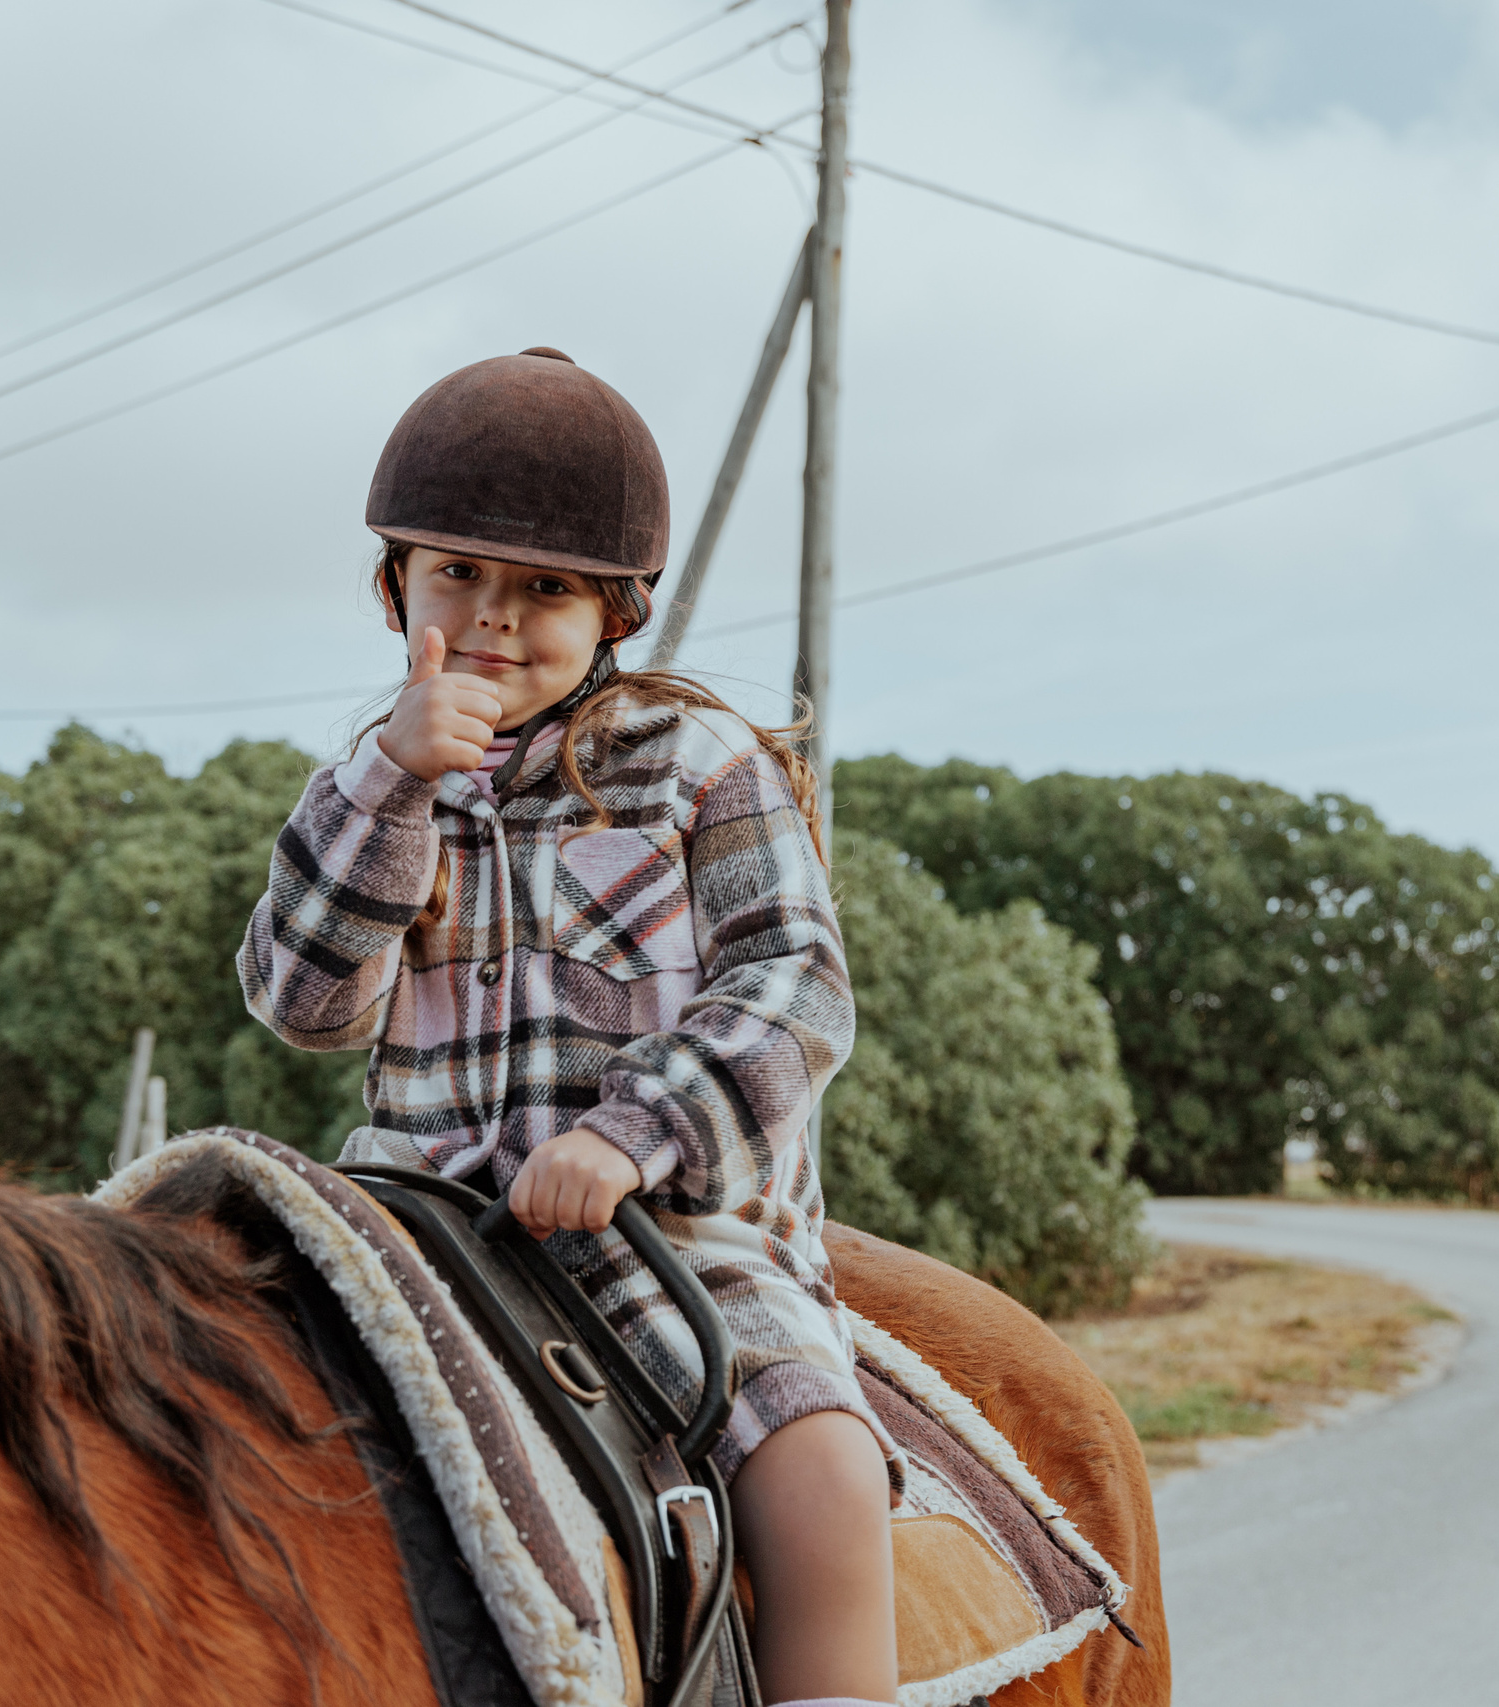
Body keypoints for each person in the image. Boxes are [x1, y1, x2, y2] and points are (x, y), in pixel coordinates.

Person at [239, 348, 899, 1707]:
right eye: (457, 575)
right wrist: (390, 787)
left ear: (615, 612)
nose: (493, 617)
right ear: (393, 588)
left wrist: (634, 1133)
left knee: (820, 1463)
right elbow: (303, 1002)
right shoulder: (371, 780)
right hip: (408, 1231)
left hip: (659, 1242)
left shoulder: (700, 768)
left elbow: (795, 983)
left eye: (544, 589)